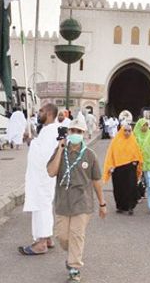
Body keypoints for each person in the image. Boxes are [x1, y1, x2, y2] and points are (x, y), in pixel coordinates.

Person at [46, 115, 107, 282]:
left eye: (79, 131)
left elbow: (96, 181)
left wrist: (102, 203)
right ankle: (70, 256)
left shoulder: (90, 155)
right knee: (63, 238)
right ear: (68, 132)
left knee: (77, 235)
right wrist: (59, 148)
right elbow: (51, 172)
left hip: (82, 202)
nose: (75, 134)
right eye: (72, 130)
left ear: (84, 134)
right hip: (62, 203)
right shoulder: (60, 151)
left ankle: (74, 267)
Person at [18, 103, 59, 255]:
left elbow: (44, 155)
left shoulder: (50, 131)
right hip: (44, 177)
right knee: (45, 206)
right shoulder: (49, 130)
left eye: (41, 111)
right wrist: (34, 141)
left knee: (41, 206)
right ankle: (47, 237)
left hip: (43, 176)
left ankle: (41, 243)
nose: (38, 113)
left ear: (48, 113)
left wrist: (31, 142)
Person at [102, 123, 143, 215]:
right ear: (121, 131)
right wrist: (111, 166)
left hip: (130, 168)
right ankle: (120, 206)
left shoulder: (133, 141)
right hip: (118, 169)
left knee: (131, 187)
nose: (127, 132)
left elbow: (137, 155)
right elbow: (110, 155)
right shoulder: (116, 141)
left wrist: (135, 162)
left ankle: (130, 207)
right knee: (119, 188)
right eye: (125, 130)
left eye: (129, 131)